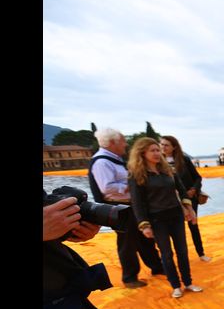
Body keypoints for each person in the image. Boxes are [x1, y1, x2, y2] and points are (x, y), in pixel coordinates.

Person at [127, 137, 203, 299]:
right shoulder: (137, 175)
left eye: (157, 150)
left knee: (182, 251)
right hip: (156, 220)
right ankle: (175, 285)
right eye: (152, 150)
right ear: (142, 153)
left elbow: (181, 190)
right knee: (167, 254)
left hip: (175, 215)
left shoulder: (167, 170)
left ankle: (188, 282)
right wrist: (144, 225)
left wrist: (189, 209)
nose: (157, 153)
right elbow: (137, 203)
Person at [88, 127, 163, 288]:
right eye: (123, 140)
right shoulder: (102, 162)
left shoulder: (116, 159)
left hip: (131, 205)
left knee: (145, 238)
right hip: (120, 208)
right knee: (127, 242)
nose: (126, 144)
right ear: (112, 142)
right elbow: (107, 188)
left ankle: (157, 266)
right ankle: (129, 277)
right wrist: (132, 187)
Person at [160, 135, 210, 262]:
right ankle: (175, 258)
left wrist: (193, 190)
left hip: (189, 197)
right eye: (161, 144)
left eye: (166, 145)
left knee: (193, 225)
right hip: (169, 201)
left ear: (174, 147)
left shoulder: (184, 160)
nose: (163, 147)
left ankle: (201, 253)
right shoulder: (158, 162)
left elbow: (197, 177)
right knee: (173, 229)